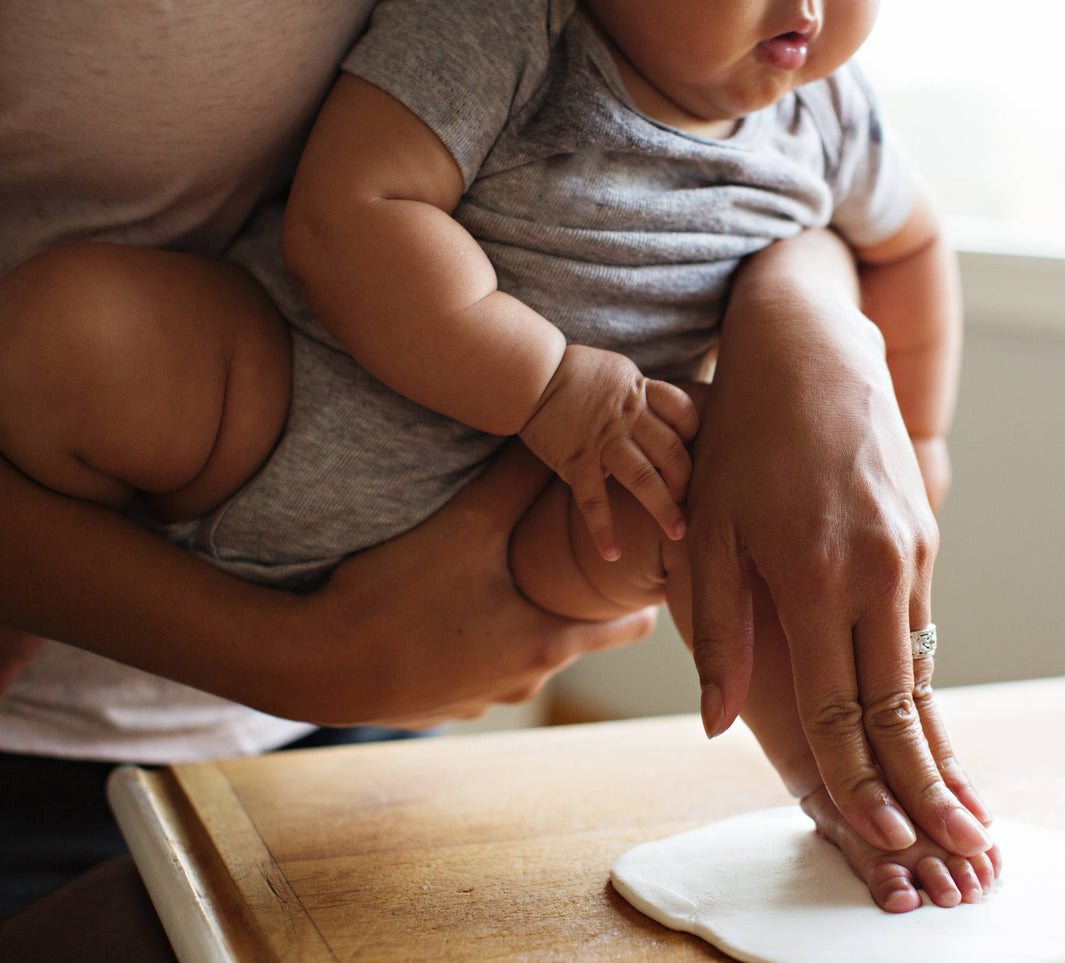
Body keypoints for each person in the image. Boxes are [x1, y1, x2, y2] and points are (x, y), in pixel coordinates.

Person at [0, 0, 995, 917]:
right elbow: (352, 213)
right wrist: (547, 384)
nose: (808, 6)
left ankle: (840, 793)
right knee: (65, 333)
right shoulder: (508, 31)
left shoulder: (831, 113)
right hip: (284, 400)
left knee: (716, 528)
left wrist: (915, 442)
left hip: (535, 514)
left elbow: (905, 248)